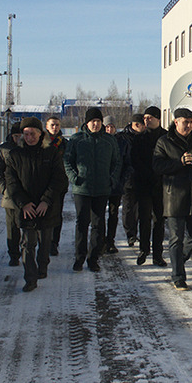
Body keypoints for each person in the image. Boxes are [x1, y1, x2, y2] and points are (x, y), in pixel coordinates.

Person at [152, 107, 192, 290]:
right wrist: (179, 162)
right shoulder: (164, 142)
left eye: (190, 122)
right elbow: (157, 166)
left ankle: (177, 260)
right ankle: (178, 276)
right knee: (176, 239)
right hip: (174, 197)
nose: (188, 125)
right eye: (185, 122)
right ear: (176, 122)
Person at [4, 117, 68, 292]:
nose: (30, 137)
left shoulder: (51, 153)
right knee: (27, 243)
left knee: (45, 241)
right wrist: (23, 203)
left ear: (41, 134)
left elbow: (60, 180)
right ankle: (30, 278)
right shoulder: (15, 155)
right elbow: (11, 183)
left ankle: (42, 266)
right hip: (26, 208)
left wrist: (46, 200)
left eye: (33, 133)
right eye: (26, 134)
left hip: (46, 207)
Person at [63, 107, 121, 272]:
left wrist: (111, 179)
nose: (95, 124)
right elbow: (67, 161)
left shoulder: (109, 141)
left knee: (98, 224)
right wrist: (74, 178)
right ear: (87, 123)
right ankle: (79, 258)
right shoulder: (77, 140)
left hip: (102, 188)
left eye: (98, 121)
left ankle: (93, 258)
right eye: (92, 121)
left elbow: (117, 162)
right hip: (82, 189)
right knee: (82, 223)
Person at [134, 105, 167, 267]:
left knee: (159, 221)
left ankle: (158, 255)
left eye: (150, 118)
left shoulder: (167, 137)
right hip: (144, 185)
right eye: (145, 118)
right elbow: (135, 160)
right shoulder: (139, 138)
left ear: (158, 119)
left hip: (161, 186)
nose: (146, 120)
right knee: (144, 219)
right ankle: (143, 250)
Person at [0, 122, 23, 266]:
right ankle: (14, 255)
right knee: (12, 226)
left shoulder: (30, 147)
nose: (20, 138)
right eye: (17, 136)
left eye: (21, 135)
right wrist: (3, 189)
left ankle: (27, 251)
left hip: (28, 193)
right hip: (10, 195)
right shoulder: (4, 149)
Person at [103, 117, 132, 254]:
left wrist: (122, 179)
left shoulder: (122, 142)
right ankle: (100, 241)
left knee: (113, 214)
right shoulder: (100, 140)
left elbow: (127, 163)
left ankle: (110, 241)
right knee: (99, 215)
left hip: (116, 185)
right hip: (101, 185)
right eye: (107, 127)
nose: (109, 129)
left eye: (112, 127)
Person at [120, 113, 147, 247]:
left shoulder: (145, 137)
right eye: (143, 125)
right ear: (136, 125)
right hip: (128, 179)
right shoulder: (124, 139)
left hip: (143, 179)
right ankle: (130, 234)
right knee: (129, 208)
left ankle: (143, 235)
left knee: (143, 209)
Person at [44, 115, 67, 256]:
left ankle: (54, 243)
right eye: (52, 125)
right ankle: (44, 242)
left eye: (57, 125)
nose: (55, 127)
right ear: (46, 127)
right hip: (43, 183)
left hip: (59, 184)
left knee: (57, 214)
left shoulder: (64, 143)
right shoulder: (42, 142)